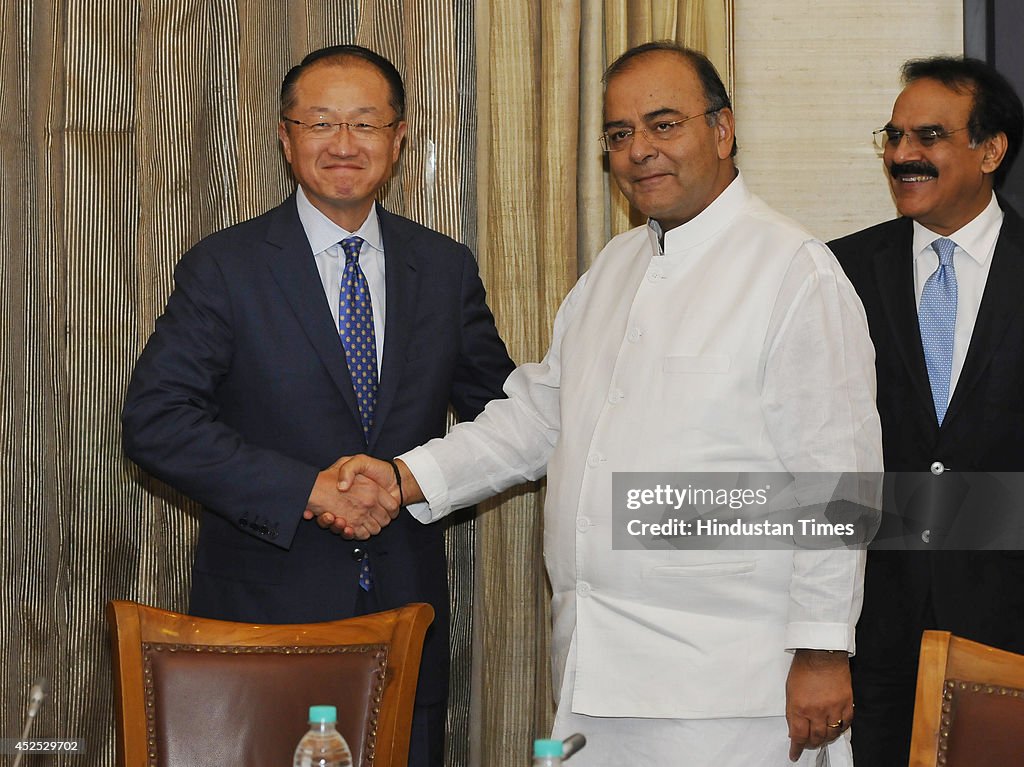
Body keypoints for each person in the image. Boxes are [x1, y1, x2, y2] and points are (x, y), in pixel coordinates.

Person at [327, 42, 883, 766]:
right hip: (597, 672)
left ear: (722, 130)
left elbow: (839, 481)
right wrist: (402, 477)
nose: (639, 151)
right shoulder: (615, 268)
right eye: (619, 135)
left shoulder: (793, 270)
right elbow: (536, 416)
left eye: (663, 124)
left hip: (733, 688)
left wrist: (821, 649)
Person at [121, 45, 515, 767]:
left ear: (398, 141)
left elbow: (507, 418)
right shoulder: (226, 265)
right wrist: (303, 488)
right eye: (321, 122)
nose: (342, 144)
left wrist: (408, 477)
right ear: (285, 136)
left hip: (405, 614)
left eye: (365, 124)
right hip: (264, 619)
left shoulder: (445, 268)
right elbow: (156, 418)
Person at [829, 55, 1024, 767]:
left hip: (1011, 633)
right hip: (872, 631)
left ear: (990, 150)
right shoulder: (838, 272)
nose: (902, 154)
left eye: (928, 136)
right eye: (893, 135)